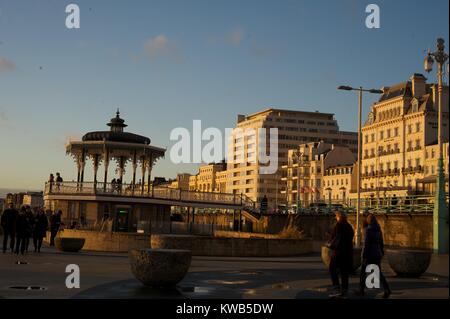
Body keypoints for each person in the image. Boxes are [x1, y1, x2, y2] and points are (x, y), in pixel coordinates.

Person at [359, 213, 391, 298]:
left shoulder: (368, 230)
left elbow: (366, 244)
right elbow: (381, 242)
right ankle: (387, 288)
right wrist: (381, 251)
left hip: (369, 254)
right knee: (379, 272)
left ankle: (361, 290)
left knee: (362, 272)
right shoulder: (378, 229)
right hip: (377, 253)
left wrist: (363, 255)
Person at [327, 210, 354, 298]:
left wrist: (330, 243)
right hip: (347, 253)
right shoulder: (349, 226)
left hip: (338, 252)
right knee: (344, 271)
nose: (336, 218)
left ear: (339, 217)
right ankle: (344, 289)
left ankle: (336, 288)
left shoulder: (339, 225)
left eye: (336, 216)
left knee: (332, 268)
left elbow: (335, 238)